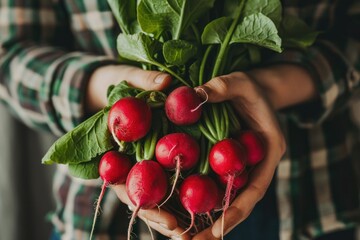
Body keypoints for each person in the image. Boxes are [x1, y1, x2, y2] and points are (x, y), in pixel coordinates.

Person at [0, 1, 359, 240]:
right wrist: (109, 85)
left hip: (311, 198)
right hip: (106, 217)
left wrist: (270, 89)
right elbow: (10, 58)